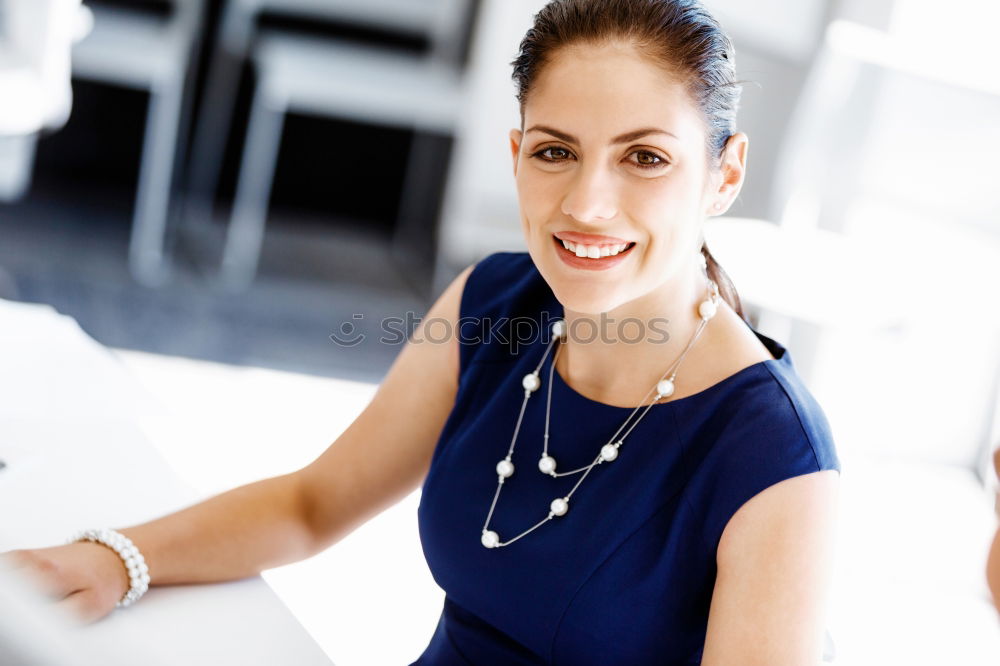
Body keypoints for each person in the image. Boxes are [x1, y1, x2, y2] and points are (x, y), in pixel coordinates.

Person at [0, 0, 841, 663]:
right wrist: (115, 558)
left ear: (724, 174)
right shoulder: (496, 303)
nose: (587, 203)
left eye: (645, 157)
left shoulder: (773, 455)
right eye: (555, 152)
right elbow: (310, 504)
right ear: (514, 153)